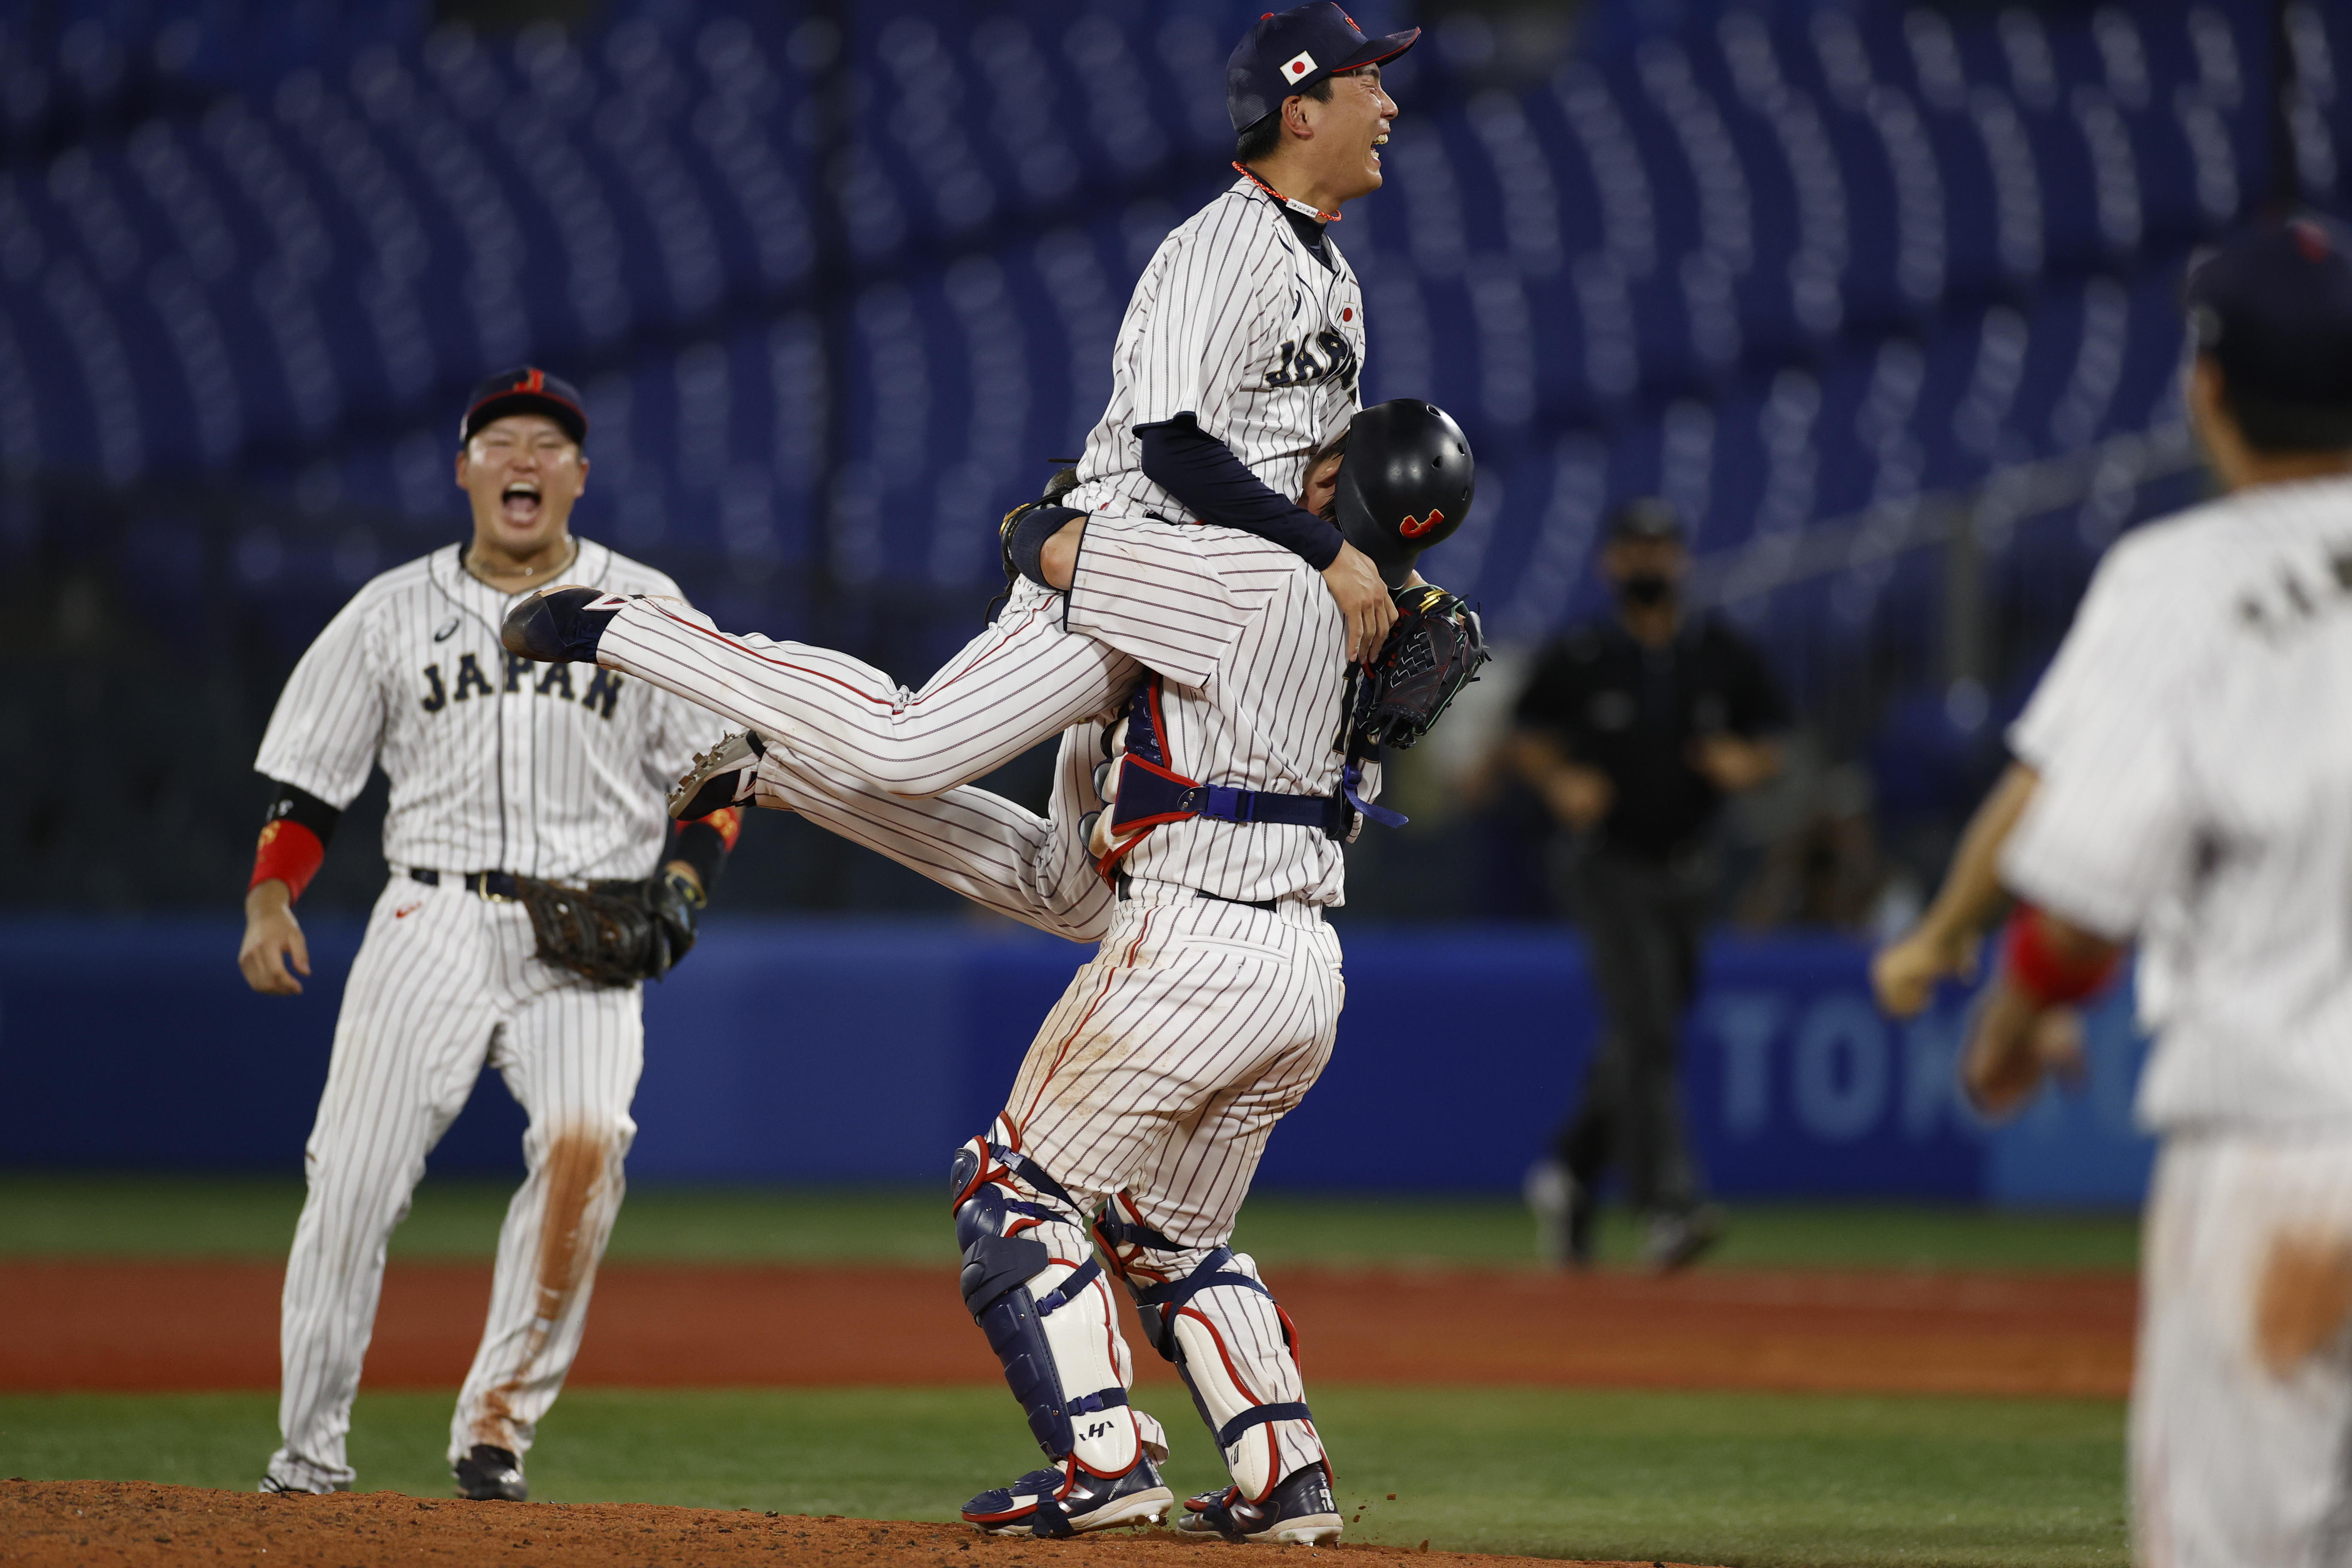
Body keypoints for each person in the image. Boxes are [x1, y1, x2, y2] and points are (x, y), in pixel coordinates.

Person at [505, 391, 1475, 1544]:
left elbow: (1041, 546)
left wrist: (1079, 509)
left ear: (1334, 491)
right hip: (1306, 969)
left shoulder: (1248, 577)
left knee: (1013, 1188)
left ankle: (1102, 1459)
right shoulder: (1395, 628)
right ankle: (1286, 1478)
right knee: (1169, 1235)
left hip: (1195, 939)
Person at [236, 368, 740, 1501]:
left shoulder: (646, 606)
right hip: (431, 916)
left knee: (584, 1141)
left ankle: (495, 1432)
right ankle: (309, 1456)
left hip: (593, 926)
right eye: (502, 440)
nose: (526, 457)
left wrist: (687, 881)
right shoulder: (390, 610)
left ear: (579, 477)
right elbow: (310, 786)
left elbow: (724, 767)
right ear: (466, 470)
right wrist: (272, 897)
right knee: (353, 1182)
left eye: (549, 443)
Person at [1958, 217, 2352, 1568]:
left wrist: (2008, 1028)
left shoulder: (2179, 583)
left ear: (2209, 387)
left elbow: (2075, 917)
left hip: (2278, 1159)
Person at [1872, 218, 2352, 1041]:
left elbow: (2078, 871)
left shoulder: (2177, 580)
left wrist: (1981, 972)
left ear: (2208, 389)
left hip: (2267, 1117)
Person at [1510, 498, 1787, 1270]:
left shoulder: (1717, 652)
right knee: (1649, 1033)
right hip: (1608, 866)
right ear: (1611, 562)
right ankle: (1670, 1206)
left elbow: (1776, 742)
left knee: (1644, 1034)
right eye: (1636, 551)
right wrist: (1560, 777)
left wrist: (1749, 762)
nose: (1649, 564)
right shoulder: (1585, 651)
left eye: (1662, 550)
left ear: (1683, 560)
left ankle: (1568, 1171)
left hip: (1691, 869)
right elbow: (1524, 733)